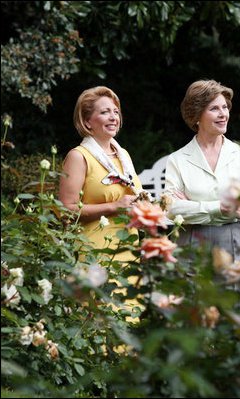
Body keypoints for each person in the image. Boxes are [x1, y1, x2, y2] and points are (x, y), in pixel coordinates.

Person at [59, 86, 144, 324]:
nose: (113, 117)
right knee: (97, 327)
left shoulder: (123, 155)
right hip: (93, 253)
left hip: (126, 252)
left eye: (115, 112)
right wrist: (114, 207)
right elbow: (66, 210)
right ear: (87, 121)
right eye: (105, 112)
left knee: (127, 324)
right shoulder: (79, 156)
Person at [164, 79, 240, 261]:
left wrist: (193, 205)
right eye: (214, 109)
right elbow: (172, 208)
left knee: (233, 289)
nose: (223, 114)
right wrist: (220, 207)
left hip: (234, 239)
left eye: (225, 107)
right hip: (192, 241)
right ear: (197, 115)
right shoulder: (178, 159)